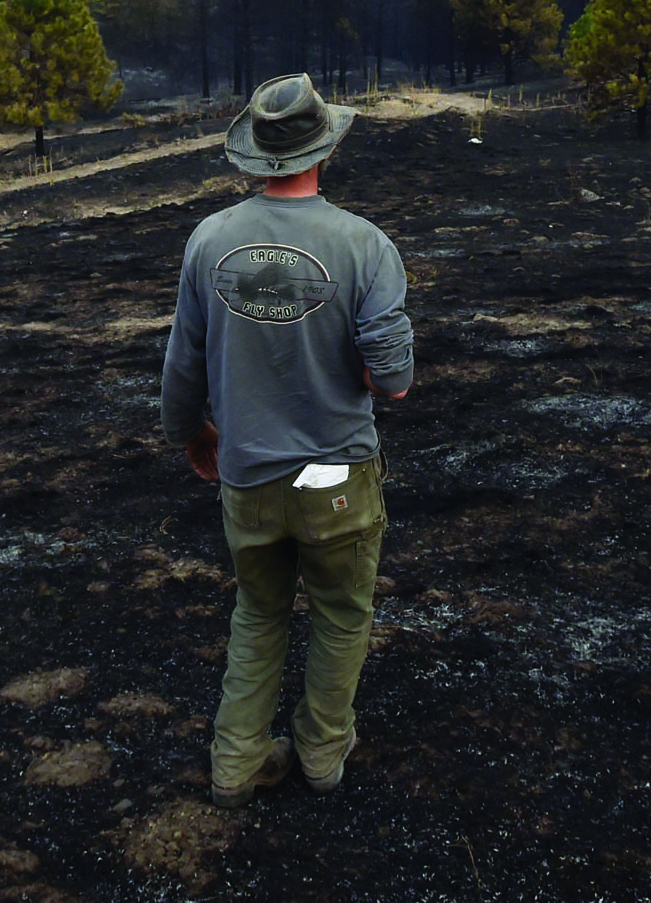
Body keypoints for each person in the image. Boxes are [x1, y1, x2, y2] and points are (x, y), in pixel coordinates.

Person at [161, 72, 416, 808]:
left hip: (248, 475)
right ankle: (323, 755)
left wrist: (192, 432)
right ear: (324, 148)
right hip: (335, 481)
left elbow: (182, 362)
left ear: (256, 155)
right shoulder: (365, 246)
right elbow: (394, 381)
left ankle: (235, 764)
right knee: (340, 613)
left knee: (258, 610)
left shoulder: (208, 241)